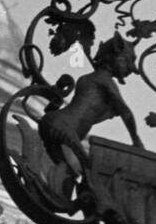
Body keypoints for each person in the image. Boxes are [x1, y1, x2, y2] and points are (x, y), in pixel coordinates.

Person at [39, 32, 143, 178]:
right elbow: (126, 112)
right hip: (63, 127)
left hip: (51, 121)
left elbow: (90, 112)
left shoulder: (88, 79)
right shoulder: (104, 79)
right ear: (114, 55)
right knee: (88, 169)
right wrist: (136, 140)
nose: (130, 69)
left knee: (69, 172)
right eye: (126, 61)